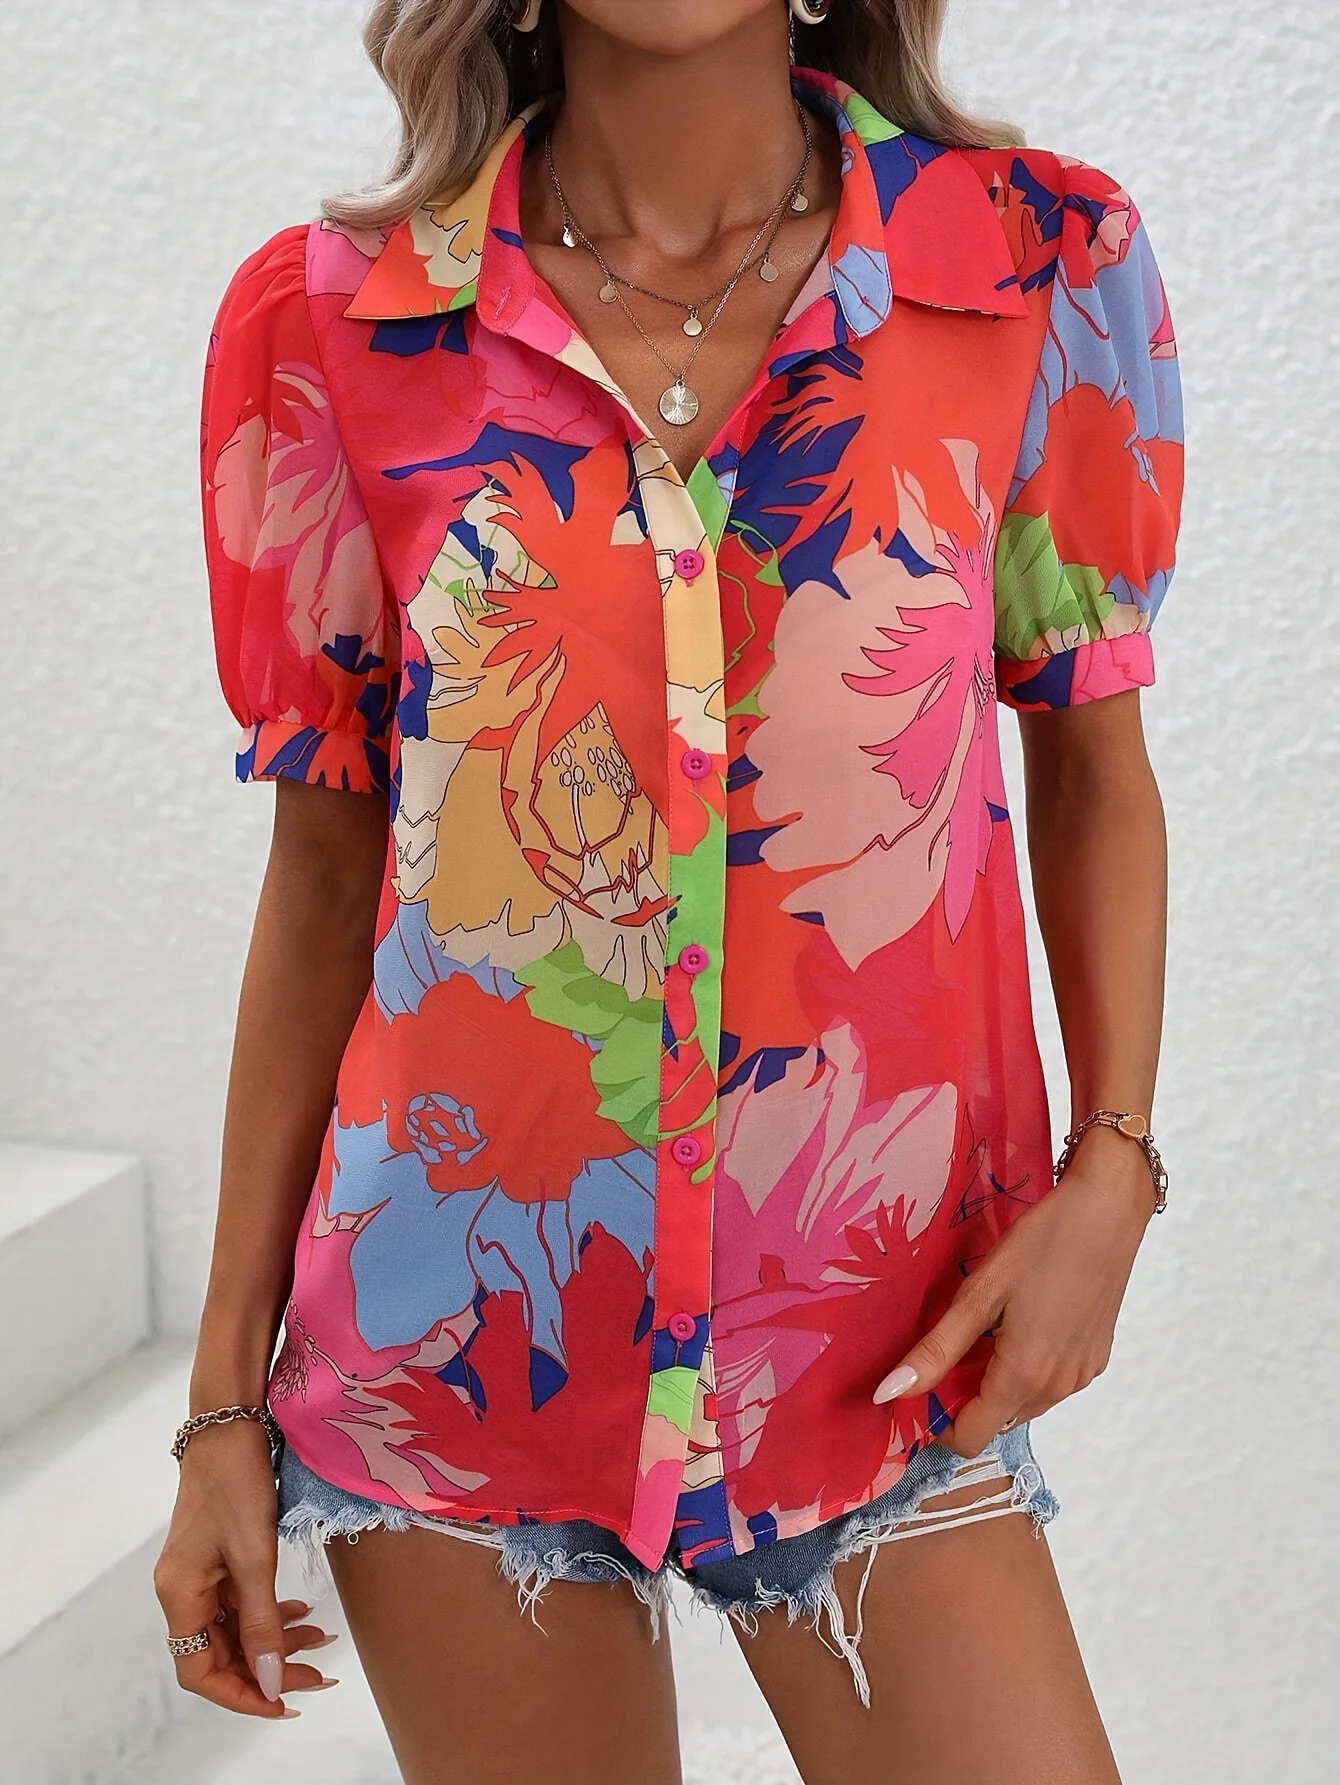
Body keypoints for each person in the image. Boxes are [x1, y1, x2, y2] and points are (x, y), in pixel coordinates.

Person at [153, 1, 1184, 1780]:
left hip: (879, 1349)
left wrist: (1116, 1167)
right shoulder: (330, 320)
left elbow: (1090, 765)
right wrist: (220, 1412)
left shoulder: (1032, 264)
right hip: (456, 1356)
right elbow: (326, 879)